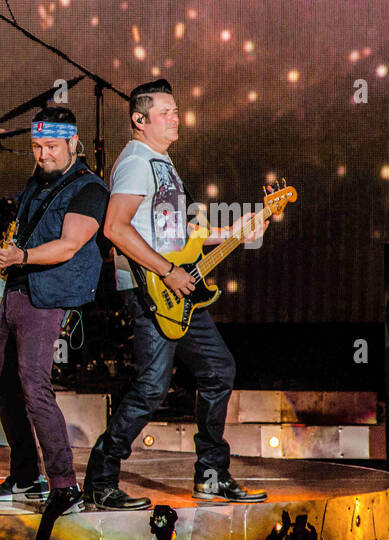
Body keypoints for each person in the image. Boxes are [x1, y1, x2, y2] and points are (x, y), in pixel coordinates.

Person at [83, 79, 266, 509]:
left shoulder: (162, 162)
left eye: (176, 110)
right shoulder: (135, 162)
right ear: (139, 120)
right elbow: (114, 228)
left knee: (218, 370)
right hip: (151, 290)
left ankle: (210, 474)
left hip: (175, 288)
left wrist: (236, 231)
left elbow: (178, 235)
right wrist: (166, 272)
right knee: (151, 386)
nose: (176, 117)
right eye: (166, 112)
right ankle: (100, 479)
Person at [0, 107, 106, 515]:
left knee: (34, 385)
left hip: (46, 297)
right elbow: (11, 242)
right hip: (13, 291)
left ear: (72, 143)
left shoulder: (89, 189)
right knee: (0, 383)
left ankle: (65, 486)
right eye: (36, 146)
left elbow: (68, 245)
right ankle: (27, 476)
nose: (43, 154)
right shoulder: (36, 184)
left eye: (51, 146)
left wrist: (21, 257)